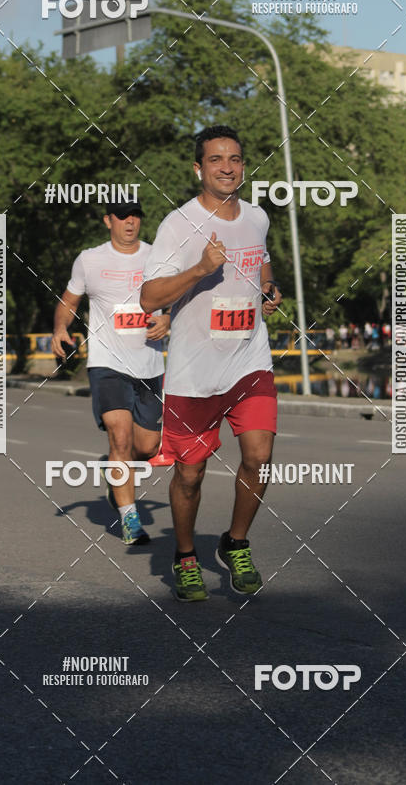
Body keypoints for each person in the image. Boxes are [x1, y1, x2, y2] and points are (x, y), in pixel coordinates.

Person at [141, 125, 282, 601]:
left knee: (259, 457)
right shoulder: (178, 224)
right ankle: (185, 556)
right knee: (190, 474)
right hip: (195, 371)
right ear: (198, 168)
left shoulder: (257, 217)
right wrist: (201, 268)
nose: (227, 167)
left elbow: (261, 261)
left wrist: (268, 288)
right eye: (216, 159)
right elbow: (149, 297)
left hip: (249, 359)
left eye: (235, 159)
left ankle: (235, 543)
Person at [51, 200, 170, 545]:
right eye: (122, 216)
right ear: (108, 221)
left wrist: (168, 318)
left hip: (149, 365)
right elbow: (69, 301)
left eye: (135, 216)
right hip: (107, 364)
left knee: (146, 447)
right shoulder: (90, 260)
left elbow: (180, 296)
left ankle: (114, 473)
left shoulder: (158, 257)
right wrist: (61, 327)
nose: (130, 222)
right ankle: (130, 519)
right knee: (119, 437)